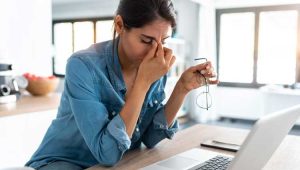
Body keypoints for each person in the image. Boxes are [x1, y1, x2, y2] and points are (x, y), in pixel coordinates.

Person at [25, 0, 218, 169]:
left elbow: (150, 138)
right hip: (63, 162)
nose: (157, 52)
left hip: (118, 163)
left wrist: (182, 88)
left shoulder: (154, 66)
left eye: (163, 41)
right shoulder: (82, 65)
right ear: (119, 25)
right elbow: (107, 154)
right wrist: (143, 82)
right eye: (146, 40)